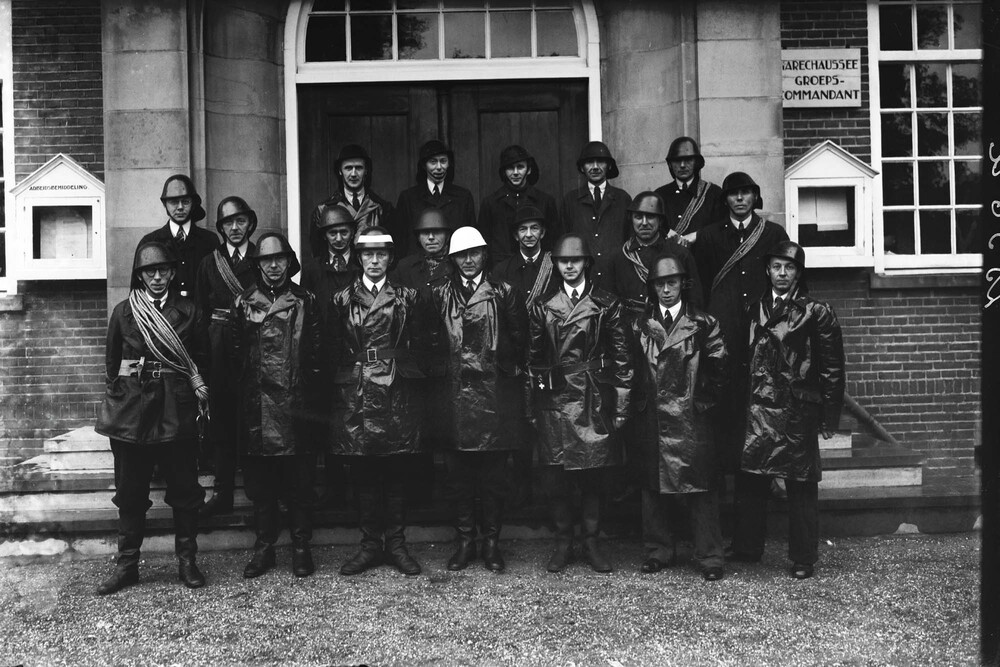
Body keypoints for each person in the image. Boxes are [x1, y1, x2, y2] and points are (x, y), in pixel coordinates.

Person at [94, 242, 210, 595]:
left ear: (173, 273)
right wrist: (125, 396)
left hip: (175, 410)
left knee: (185, 490)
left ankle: (187, 561)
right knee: (130, 492)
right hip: (132, 413)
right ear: (140, 275)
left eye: (163, 270)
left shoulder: (189, 311)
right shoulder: (125, 312)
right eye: (149, 271)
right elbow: (112, 365)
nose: (157, 277)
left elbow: (202, 358)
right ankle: (127, 565)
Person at [730, 241, 845, 580]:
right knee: (752, 478)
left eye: (789, 267)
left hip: (796, 410)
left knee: (800, 484)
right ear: (767, 270)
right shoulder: (753, 308)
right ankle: (748, 547)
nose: (782, 273)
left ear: (799, 272)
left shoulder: (816, 311)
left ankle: (803, 557)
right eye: (777, 267)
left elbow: (832, 368)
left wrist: (829, 417)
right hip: (757, 407)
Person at [327, 226, 429, 576]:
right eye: (368, 254)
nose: (374, 261)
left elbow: (422, 342)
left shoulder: (407, 297)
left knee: (397, 468)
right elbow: (332, 349)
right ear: (358, 258)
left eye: (381, 254)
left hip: (397, 390)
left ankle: (397, 545)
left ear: (390, 258)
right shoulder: (342, 299)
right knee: (365, 470)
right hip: (358, 391)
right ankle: (370, 545)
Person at [528, 234, 632, 573]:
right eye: (563, 261)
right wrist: (530, 407)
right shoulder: (543, 305)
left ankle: (591, 541)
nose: (569, 266)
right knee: (556, 477)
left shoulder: (606, 303)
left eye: (575, 260)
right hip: (555, 398)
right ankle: (562, 541)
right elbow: (533, 360)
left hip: (593, 397)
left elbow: (622, 358)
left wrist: (621, 405)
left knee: (593, 476)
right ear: (556, 265)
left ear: (586, 262)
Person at [426, 226, 528, 572]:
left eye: (474, 253)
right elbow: (431, 344)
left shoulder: (504, 292)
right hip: (455, 399)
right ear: (453, 259)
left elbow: (520, 342)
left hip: (494, 399)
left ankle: (492, 543)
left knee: (495, 479)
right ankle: (466, 541)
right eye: (461, 255)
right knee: (458, 478)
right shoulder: (439, 293)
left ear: (485, 254)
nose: (468, 260)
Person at [630, 254, 728, 581]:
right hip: (653, 417)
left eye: (672, 283)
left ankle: (709, 555)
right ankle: (658, 550)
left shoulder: (704, 323)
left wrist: (704, 401)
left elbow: (719, 365)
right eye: (660, 284)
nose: (666, 290)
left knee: (701, 485)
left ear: (683, 284)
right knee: (653, 486)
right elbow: (630, 368)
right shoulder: (640, 325)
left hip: (691, 416)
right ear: (652, 287)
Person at [232, 233, 324, 579]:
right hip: (257, 408)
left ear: (289, 262)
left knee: (300, 485)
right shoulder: (243, 302)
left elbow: (317, 354)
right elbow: (235, 356)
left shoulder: (305, 300)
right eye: (266, 260)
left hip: (295, 406)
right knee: (262, 487)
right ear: (257, 265)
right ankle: (264, 549)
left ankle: (301, 547)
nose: (273, 266)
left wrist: (307, 397)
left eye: (279, 259)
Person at [693, 172, 789, 473]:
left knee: (762, 402)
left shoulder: (773, 233)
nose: (739, 198)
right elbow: (701, 285)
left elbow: (788, 280)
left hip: (762, 332)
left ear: (755, 197)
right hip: (722, 332)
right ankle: (726, 475)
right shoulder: (709, 236)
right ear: (725, 200)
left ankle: (762, 474)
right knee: (726, 403)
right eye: (733, 194)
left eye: (745, 193)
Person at [196, 196, 259, 517]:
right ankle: (222, 492)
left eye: (240, 221)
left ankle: (257, 490)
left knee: (254, 419)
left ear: (250, 224)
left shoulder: (263, 258)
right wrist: (202, 364)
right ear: (220, 228)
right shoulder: (210, 263)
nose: (235, 228)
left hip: (255, 346)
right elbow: (200, 313)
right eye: (228, 223)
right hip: (218, 348)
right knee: (221, 421)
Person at [301, 204, 360, 508]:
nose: (338, 238)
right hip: (325, 357)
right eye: (332, 233)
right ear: (324, 235)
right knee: (328, 423)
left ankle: (361, 490)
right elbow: (307, 311)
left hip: (356, 354)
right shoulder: (312, 269)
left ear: (352, 233)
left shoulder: (362, 264)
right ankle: (335, 488)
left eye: (344, 232)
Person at [600, 191, 703, 317]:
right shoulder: (618, 257)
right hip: (627, 323)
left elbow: (694, 301)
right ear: (631, 220)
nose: (644, 223)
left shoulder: (680, 254)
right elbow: (608, 302)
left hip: (668, 323)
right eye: (638, 217)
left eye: (650, 217)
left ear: (660, 220)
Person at [559, 141, 631, 284]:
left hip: (616, 278)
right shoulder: (570, 200)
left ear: (609, 165)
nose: (595, 167)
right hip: (582, 279)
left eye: (601, 162)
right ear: (582, 167)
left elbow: (630, 240)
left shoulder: (623, 199)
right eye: (589, 162)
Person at [393, 140, 476, 259]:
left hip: (453, 264)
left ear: (449, 163)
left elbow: (470, 239)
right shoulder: (408, 198)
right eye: (433, 162)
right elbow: (400, 240)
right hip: (417, 266)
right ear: (424, 165)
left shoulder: (463, 197)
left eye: (443, 161)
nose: (439, 167)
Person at [478, 145, 559, 265]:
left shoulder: (545, 201)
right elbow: (484, 243)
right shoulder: (491, 203)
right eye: (510, 168)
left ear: (529, 170)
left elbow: (553, 241)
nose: (515, 172)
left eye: (520, 167)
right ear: (504, 171)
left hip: (537, 269)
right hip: (501, 269)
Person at [138, 174, 217, 298]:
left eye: (185, 202)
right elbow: (138, 291)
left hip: (201, 309)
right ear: (165, 204)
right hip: (163, 310)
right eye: (174, 202)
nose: (180, 207)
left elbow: (217, 287)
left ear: (193, 203)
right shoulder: (150, 242)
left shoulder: (209, 240)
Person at [309, 144, 393, 242]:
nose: (353, 174)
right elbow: (318, 249)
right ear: (340, 171)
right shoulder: (323, 210)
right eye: (348, 168)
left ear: (366, 171)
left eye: (358, 168)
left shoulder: (383, 209)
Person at [653, 137, 726, 247]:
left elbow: (722, 228)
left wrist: (698, 235)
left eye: (688, 160)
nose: (682, 165)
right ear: (670, 164)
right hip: (669, 256)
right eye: (677, 160)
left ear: (696, 163)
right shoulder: (659, 195)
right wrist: (666, 232)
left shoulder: (713, 193)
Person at [389, 208, 454, 290]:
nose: (431, 237)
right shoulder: (404, 267)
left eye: (437, 232)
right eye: (426, 233)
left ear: (447, 236)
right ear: (418, 237)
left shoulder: (457, 264)